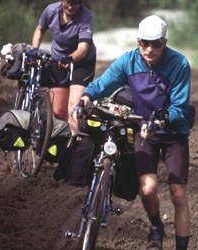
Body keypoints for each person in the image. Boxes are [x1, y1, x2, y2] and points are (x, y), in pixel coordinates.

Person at [73, 15, 191, 250]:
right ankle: (156, 228)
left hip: (173, 133)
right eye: (144, 43)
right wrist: (86, 98)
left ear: (164, 42)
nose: (149, 49)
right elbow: (102, 84)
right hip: (143, 130)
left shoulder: (180, 64)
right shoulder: (128, 61)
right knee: (147, 190)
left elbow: (180, 108)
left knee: (177, 194)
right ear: (138, 41)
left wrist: (162, 120)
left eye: (156, 44)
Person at [31, 0, 96, 134]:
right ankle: (60, 145)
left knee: (74, 109)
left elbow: (83, 48)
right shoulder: (51, 11)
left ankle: (74, 145)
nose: (71, 7)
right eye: (68, 3)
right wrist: (34, 50)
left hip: (81, 63)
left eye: (75, 4)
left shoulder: (86, 17)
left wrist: (70, 58)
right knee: (58, 111)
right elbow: (40, 29)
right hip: (58, 60)